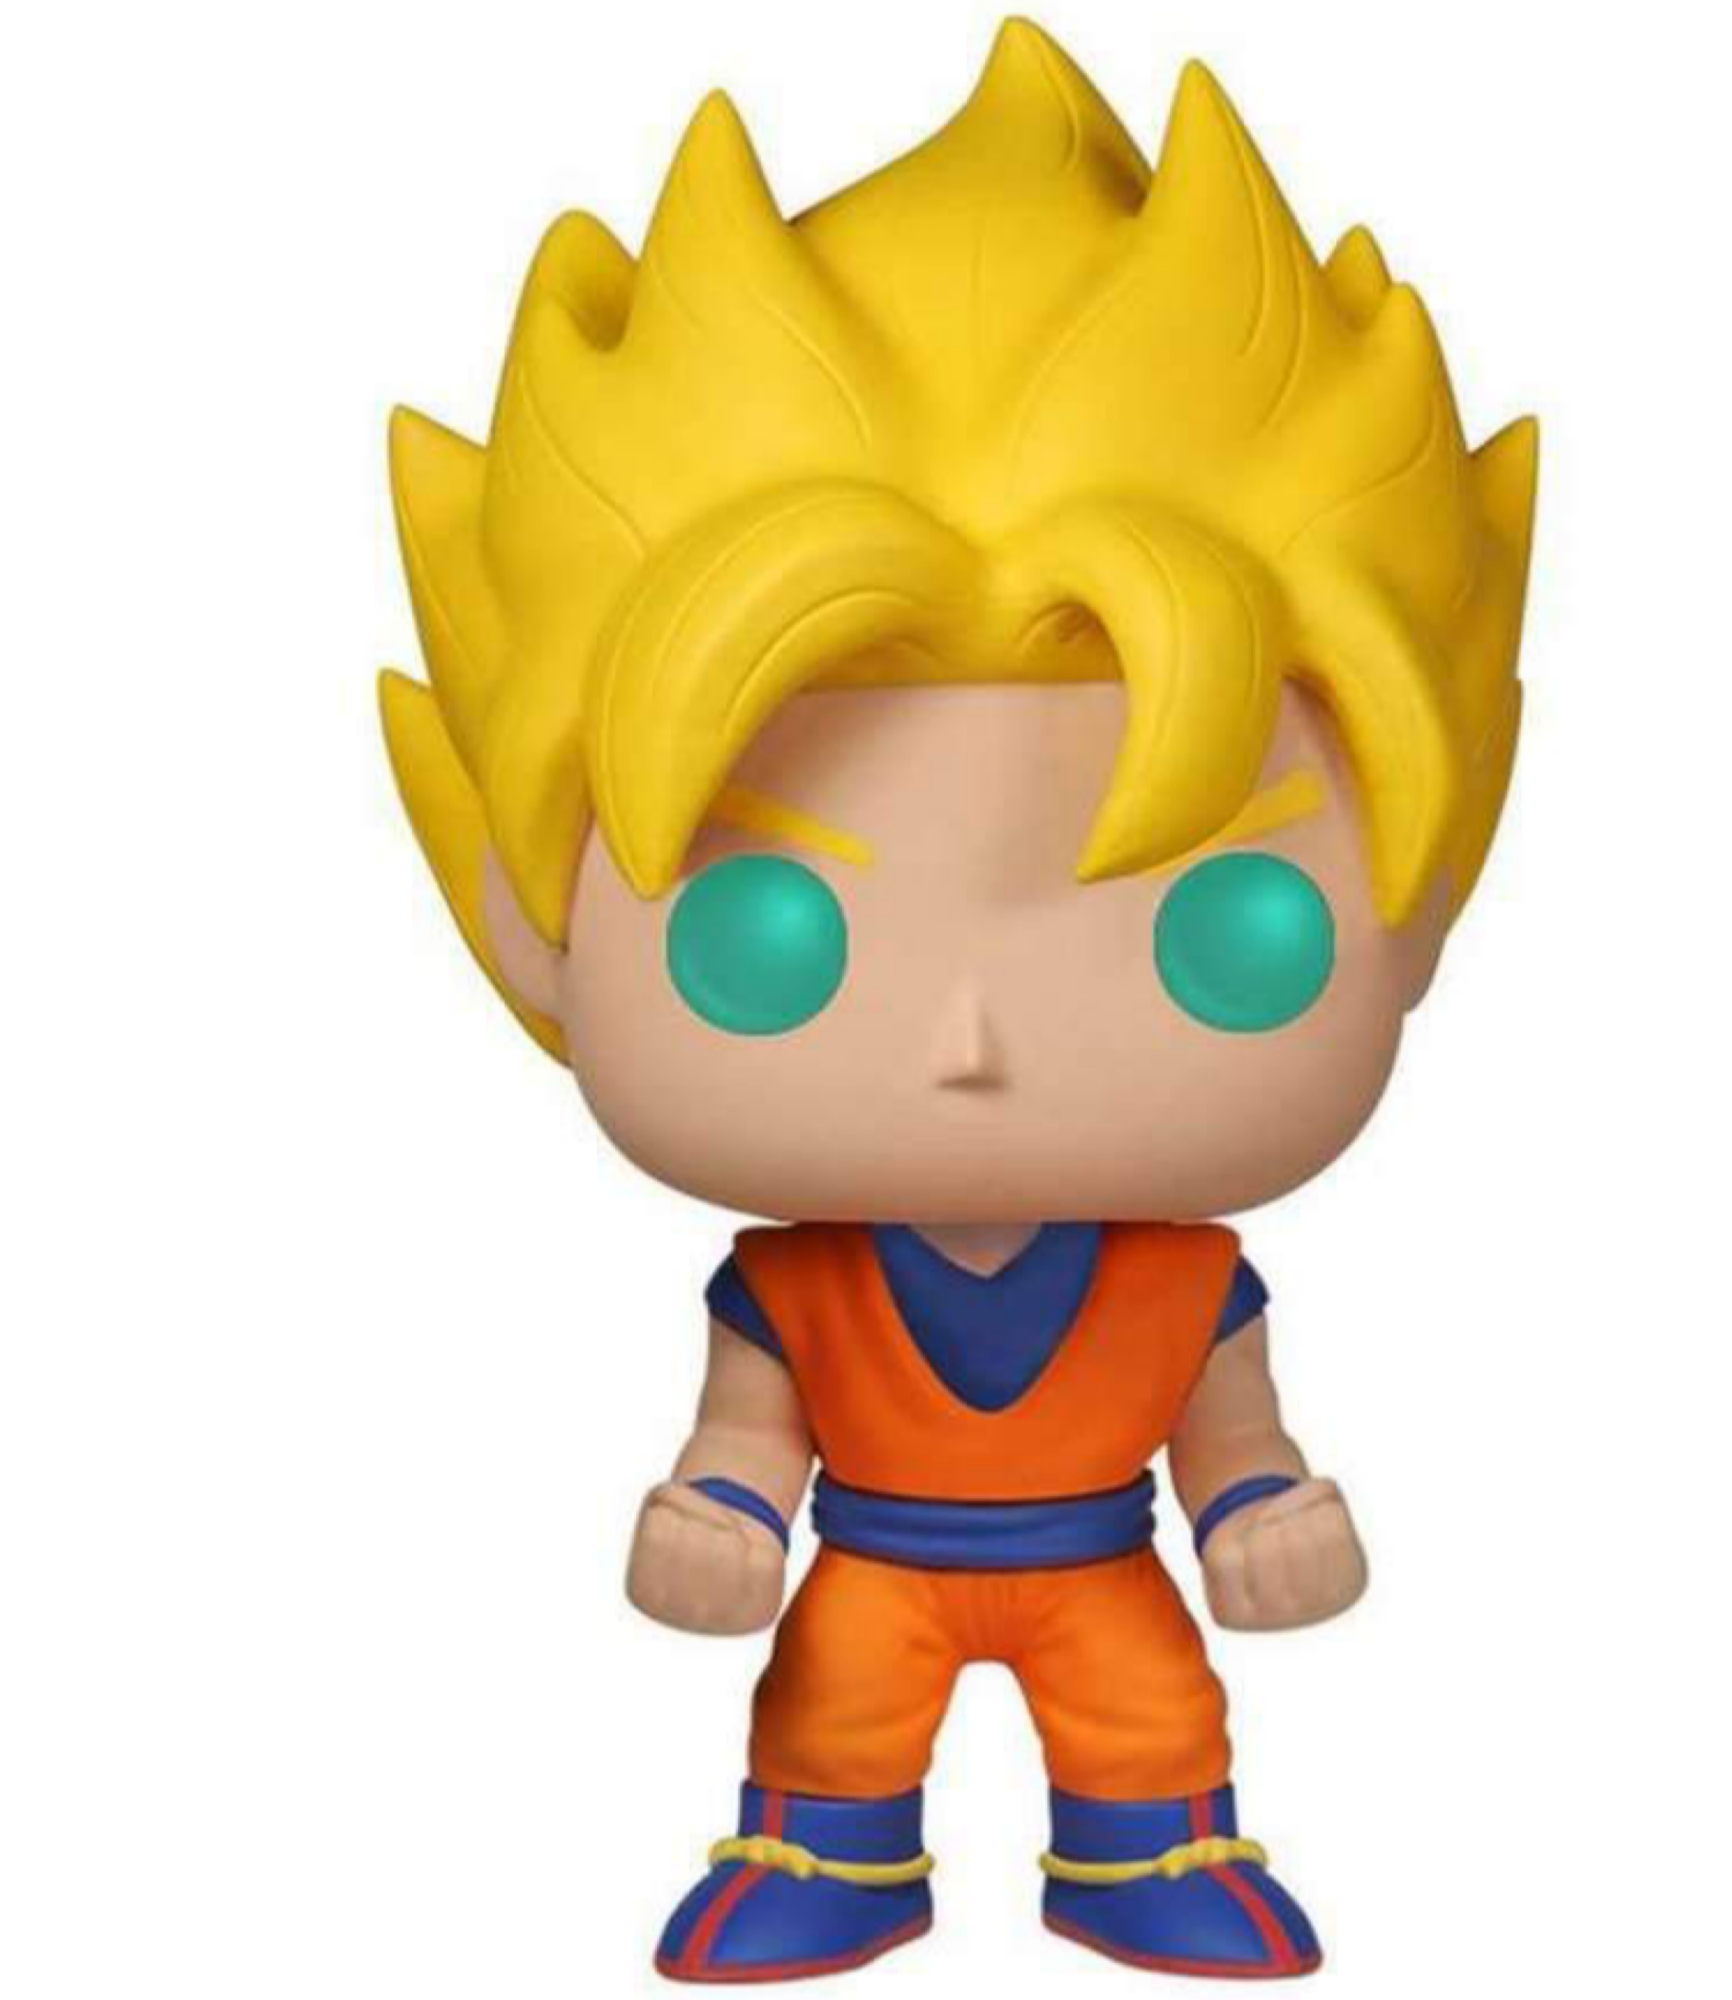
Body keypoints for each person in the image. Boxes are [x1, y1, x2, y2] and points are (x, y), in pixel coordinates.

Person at [380, 18, 1536, 1980]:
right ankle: (827, 1859)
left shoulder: (1188, 1284)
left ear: (1421, 905)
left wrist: (1265, 1507)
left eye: (1222, 922)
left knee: (1144, 1712)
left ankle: (1148, 1855)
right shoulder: (791, 1286)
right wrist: (717, 1511)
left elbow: (1232, 1437)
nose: (973, 1041)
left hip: (1100, 1566)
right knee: (835, 1710)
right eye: (768, 934)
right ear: (523, 920)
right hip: (874, 1567)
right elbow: (746, 1435)